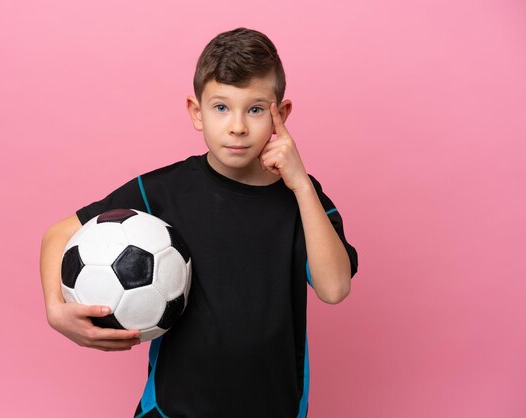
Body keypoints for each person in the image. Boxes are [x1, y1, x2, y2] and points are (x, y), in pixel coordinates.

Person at [40, 27, 359, 418]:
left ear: (282, 114)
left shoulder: (301, 198)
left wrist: (302, 186)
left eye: (256, 109)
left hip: (274, 406)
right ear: (197, 112)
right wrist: (56, 310)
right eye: (221, 108)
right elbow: (59, 234)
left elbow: (334, 288)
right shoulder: (162, 191)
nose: (238, 126)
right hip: (172, 408)